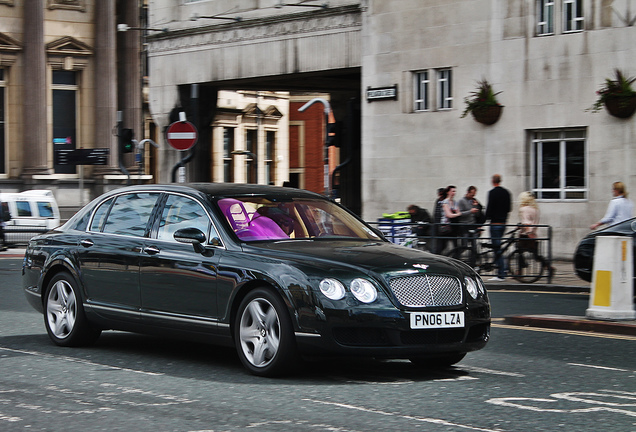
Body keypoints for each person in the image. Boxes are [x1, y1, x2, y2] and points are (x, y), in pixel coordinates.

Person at [485, 174, 511, 281]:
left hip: (495, 223)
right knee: (498, 247)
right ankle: (502, 269)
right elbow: (509, 208)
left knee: (497, 249)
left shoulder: (492, 193)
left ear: (492, 181)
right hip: (503, 223)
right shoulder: (506, 193)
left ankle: (501, 273)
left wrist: (484, 221)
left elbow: (489, 209)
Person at [436, 185, 461, 254]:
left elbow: (458, 212)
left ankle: (456, 259)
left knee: (456, 245)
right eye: (452, 191)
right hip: (446, 226)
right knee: (442, 246)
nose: (454, 193)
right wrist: (457, 214)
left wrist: (456, 214)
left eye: (455, 191)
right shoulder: (445, 202)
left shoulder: (455, 202)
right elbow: (449, 215)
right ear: (448, 192)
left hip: (453, 226)